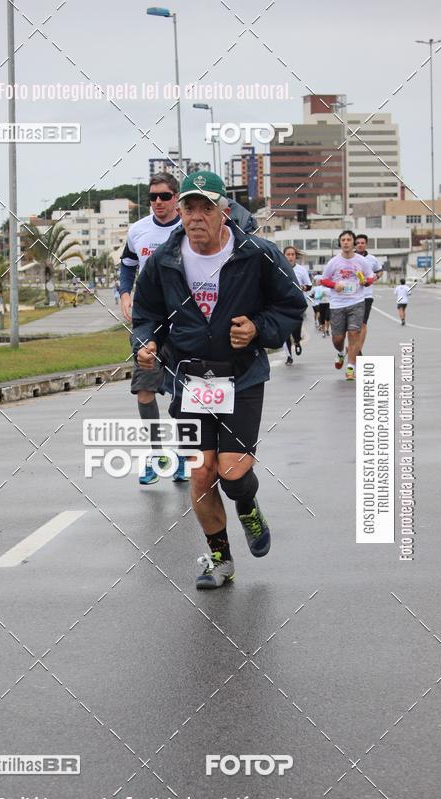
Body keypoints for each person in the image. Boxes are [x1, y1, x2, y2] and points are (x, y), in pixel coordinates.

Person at [132, 171, 306, 589]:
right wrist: (147, 342)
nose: (195, 216)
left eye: (205, 207)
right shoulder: (164, 261)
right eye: (188, 207)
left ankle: (247, 505)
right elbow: (147, 315)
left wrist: (260, 329)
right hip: (190, 378)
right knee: (200, 473)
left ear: (223, 212)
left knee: (230, 471)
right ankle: (219, 559)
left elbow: (291, 304)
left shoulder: (256, 254)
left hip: (241, 376)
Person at [119, 173, 185, 484]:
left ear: (176, 198)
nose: (158, 202)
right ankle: (155, 454)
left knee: (186, 391)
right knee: (144, 389)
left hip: (185, 316)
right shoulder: (138, 230)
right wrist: (124, 294)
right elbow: (127, 264)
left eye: (165, 196)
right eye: (153, 197)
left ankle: (186, 453)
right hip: (148, 317)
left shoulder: (188, 228)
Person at [320, 230, 374, 381]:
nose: (345, 242)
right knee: (338, 339)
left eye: (348, 239)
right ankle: (340, 353)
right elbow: (323, 280)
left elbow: (370, 277)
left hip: (356, 302)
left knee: (354, 334)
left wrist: (366, 282)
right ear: (340, 243)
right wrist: (334, 285)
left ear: (353, 242)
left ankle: (351, 368)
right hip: (337, 304)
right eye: (343, 240)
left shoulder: (361, 261)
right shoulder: (334, 262)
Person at [354, 233, 383, 352]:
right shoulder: (349, 257)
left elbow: (380, 271)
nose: (360, 245)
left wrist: (375, 277)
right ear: (355, 244)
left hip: (366, 295)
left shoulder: (372, 259)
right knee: (353, 326)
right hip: (351, 296)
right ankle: (352, 347)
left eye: (362, 243)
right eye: (358, 243)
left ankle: (358, 349)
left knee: (363, 324)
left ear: (366, 244)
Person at [283, 246, 311, 364]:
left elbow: (309, 286)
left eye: (292, 254)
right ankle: (289, 356)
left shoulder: (302, 270)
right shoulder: (278, 268)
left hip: (298, 304)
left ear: (296, 256)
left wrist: (302, 287)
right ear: (284, 256)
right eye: (288, 254)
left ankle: (298, 341)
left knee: (296, 328)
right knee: (285, 331)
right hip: (283, 304)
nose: (290, 257)